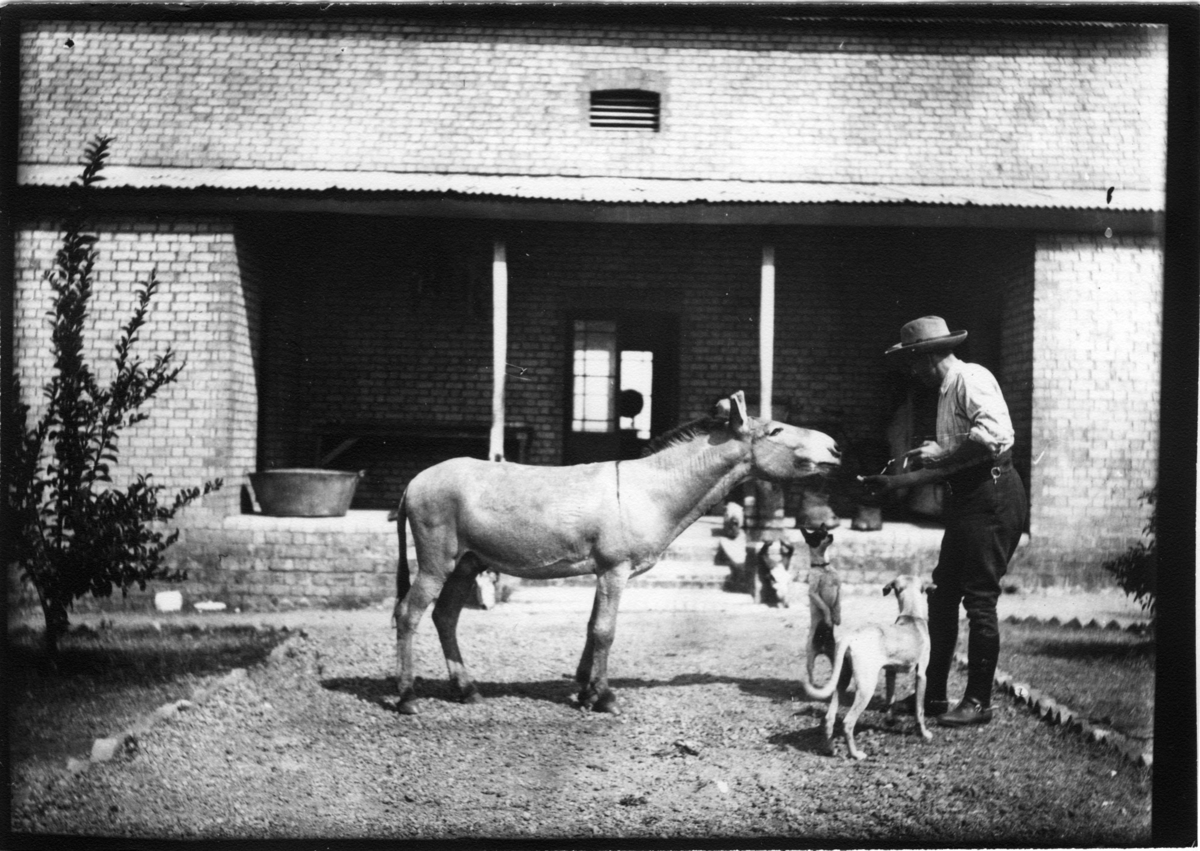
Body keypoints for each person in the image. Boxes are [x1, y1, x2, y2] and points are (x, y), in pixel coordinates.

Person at [861, 316, 1028, 727]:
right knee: (943, 594)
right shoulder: (944, 391)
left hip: (993, 497)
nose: (911, 370)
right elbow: (949, 464)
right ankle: (932, 694)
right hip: (968, 499)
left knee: (979, 599)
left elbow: (993, 439)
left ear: (929, 356)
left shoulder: (971, 378)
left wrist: (942, 454)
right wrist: (897, 482)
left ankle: (979, 702)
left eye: (912, 361)